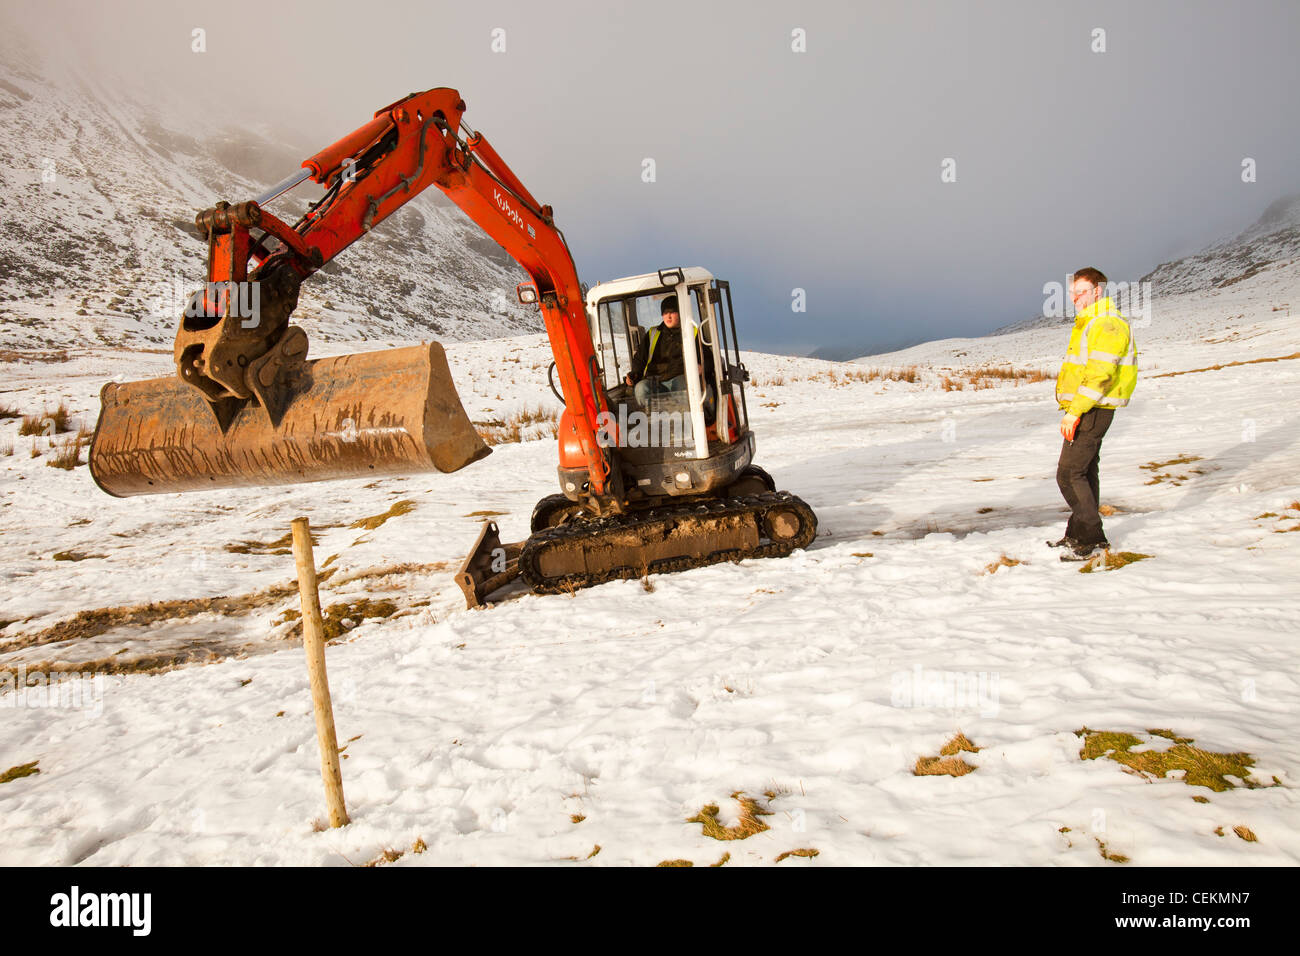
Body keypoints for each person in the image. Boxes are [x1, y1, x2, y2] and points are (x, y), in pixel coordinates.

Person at [1051, 267, 1138, 561]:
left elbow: (1099, 375)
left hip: (1092, 408)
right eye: (1073, 292)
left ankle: (1093, 540)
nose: (1075, 297)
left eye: (1082, 291)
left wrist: (1074, 412)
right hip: (1090, 407)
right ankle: (1077, 534)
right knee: (1085, 471)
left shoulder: (1107, 324)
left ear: (1098, 291)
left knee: (1068, 474)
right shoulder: (1091, 322)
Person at [624, 295, 713, 409]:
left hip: (681, 378)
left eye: (672, 312)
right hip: (656, 380)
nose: (668, 316)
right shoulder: (653, 333)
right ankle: (652, 419)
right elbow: (639, 359)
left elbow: (710, 360)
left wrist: (702, 367)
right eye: (665, 313)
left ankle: (686, 420)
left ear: (680, 313)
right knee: (641, 388)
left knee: (682, 387)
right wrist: (634, 374)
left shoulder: (692, 332)